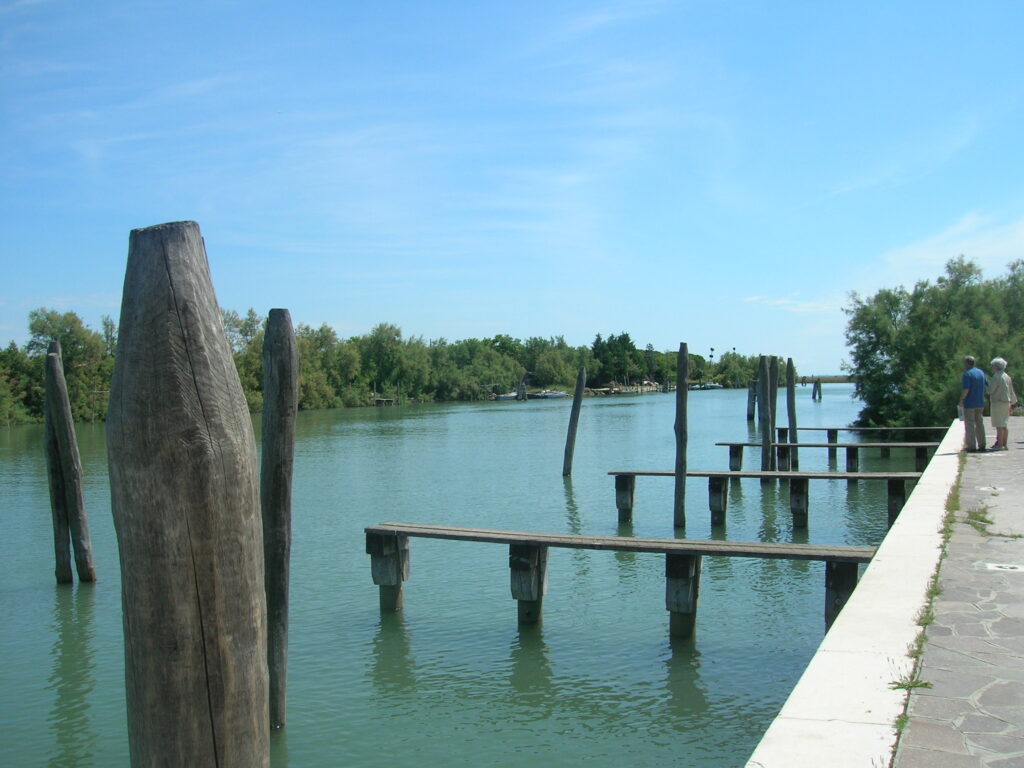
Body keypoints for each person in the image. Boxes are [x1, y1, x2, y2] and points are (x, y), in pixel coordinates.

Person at [987, 357, 1017, 451]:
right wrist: (1012, 402)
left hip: (998, 402)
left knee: (999, 424)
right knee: (1004, 424)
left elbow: (990, 390)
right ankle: (1004, 444)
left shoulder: (996, 376)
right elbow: (1011, 390)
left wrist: (986, 386)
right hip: (1006, 402)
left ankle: (1000, 445)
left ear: (996, 366)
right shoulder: (1006, 376)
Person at [959, 356, 987, 452]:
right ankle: (982, 445)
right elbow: (987, 385)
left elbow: (966, 389)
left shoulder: (967, 374)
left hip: (970, 403)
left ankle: (971, 447)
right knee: (980, 424)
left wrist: (962, 399)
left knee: (970, 424)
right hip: (980, 402)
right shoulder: (981, 372)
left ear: (967, 364)